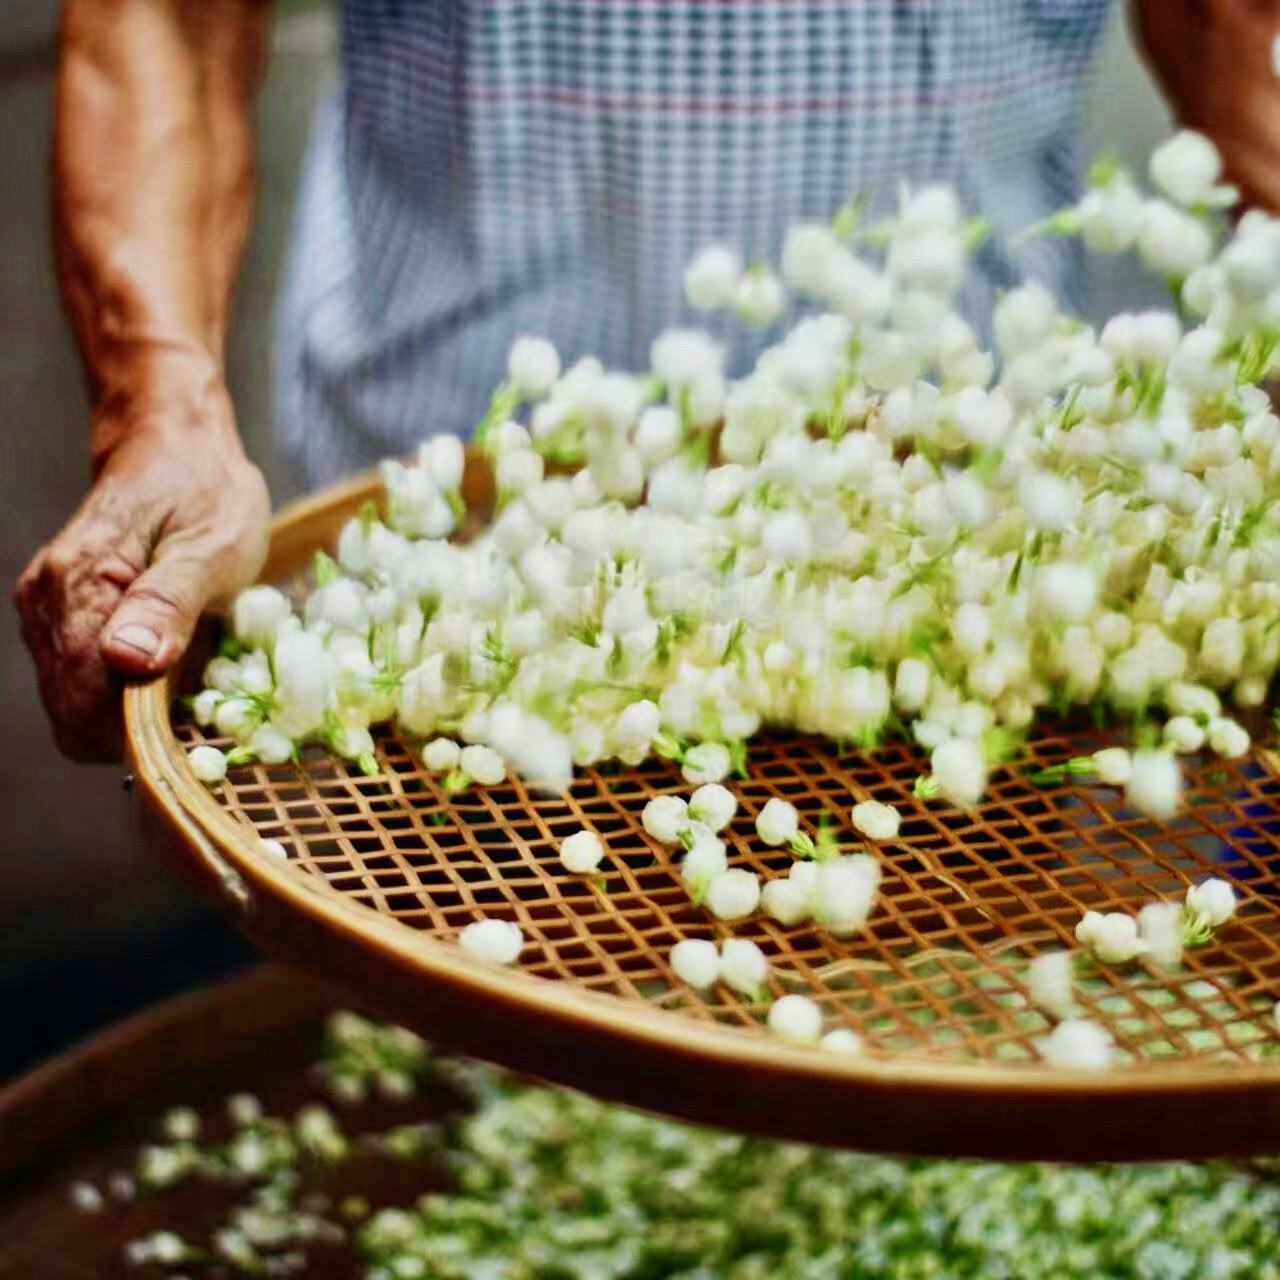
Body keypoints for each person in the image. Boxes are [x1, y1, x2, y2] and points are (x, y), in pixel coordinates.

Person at [15, 0, 1280, 763]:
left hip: (991, 550)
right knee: (478, 1046)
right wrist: (158, 405)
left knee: (963, 1035)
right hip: (458, 552)